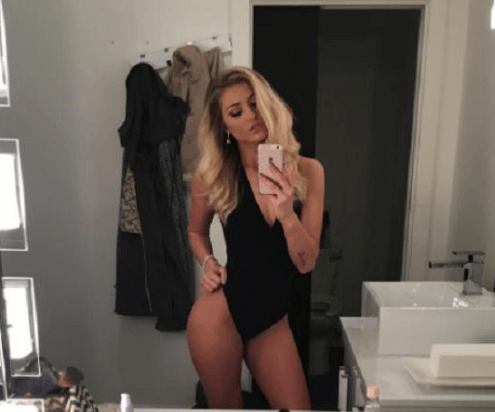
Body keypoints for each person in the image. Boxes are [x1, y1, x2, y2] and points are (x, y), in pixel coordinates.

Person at [186, 66, 325, 409]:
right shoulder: (213, 176)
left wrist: (288, 216)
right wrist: (208, 261)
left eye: (254, 103)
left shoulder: (308, 171)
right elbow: (195, 231)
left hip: (272, 320)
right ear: (225, 127)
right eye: (236, 112)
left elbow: (306, 264)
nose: (251, 115)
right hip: (219, 315)